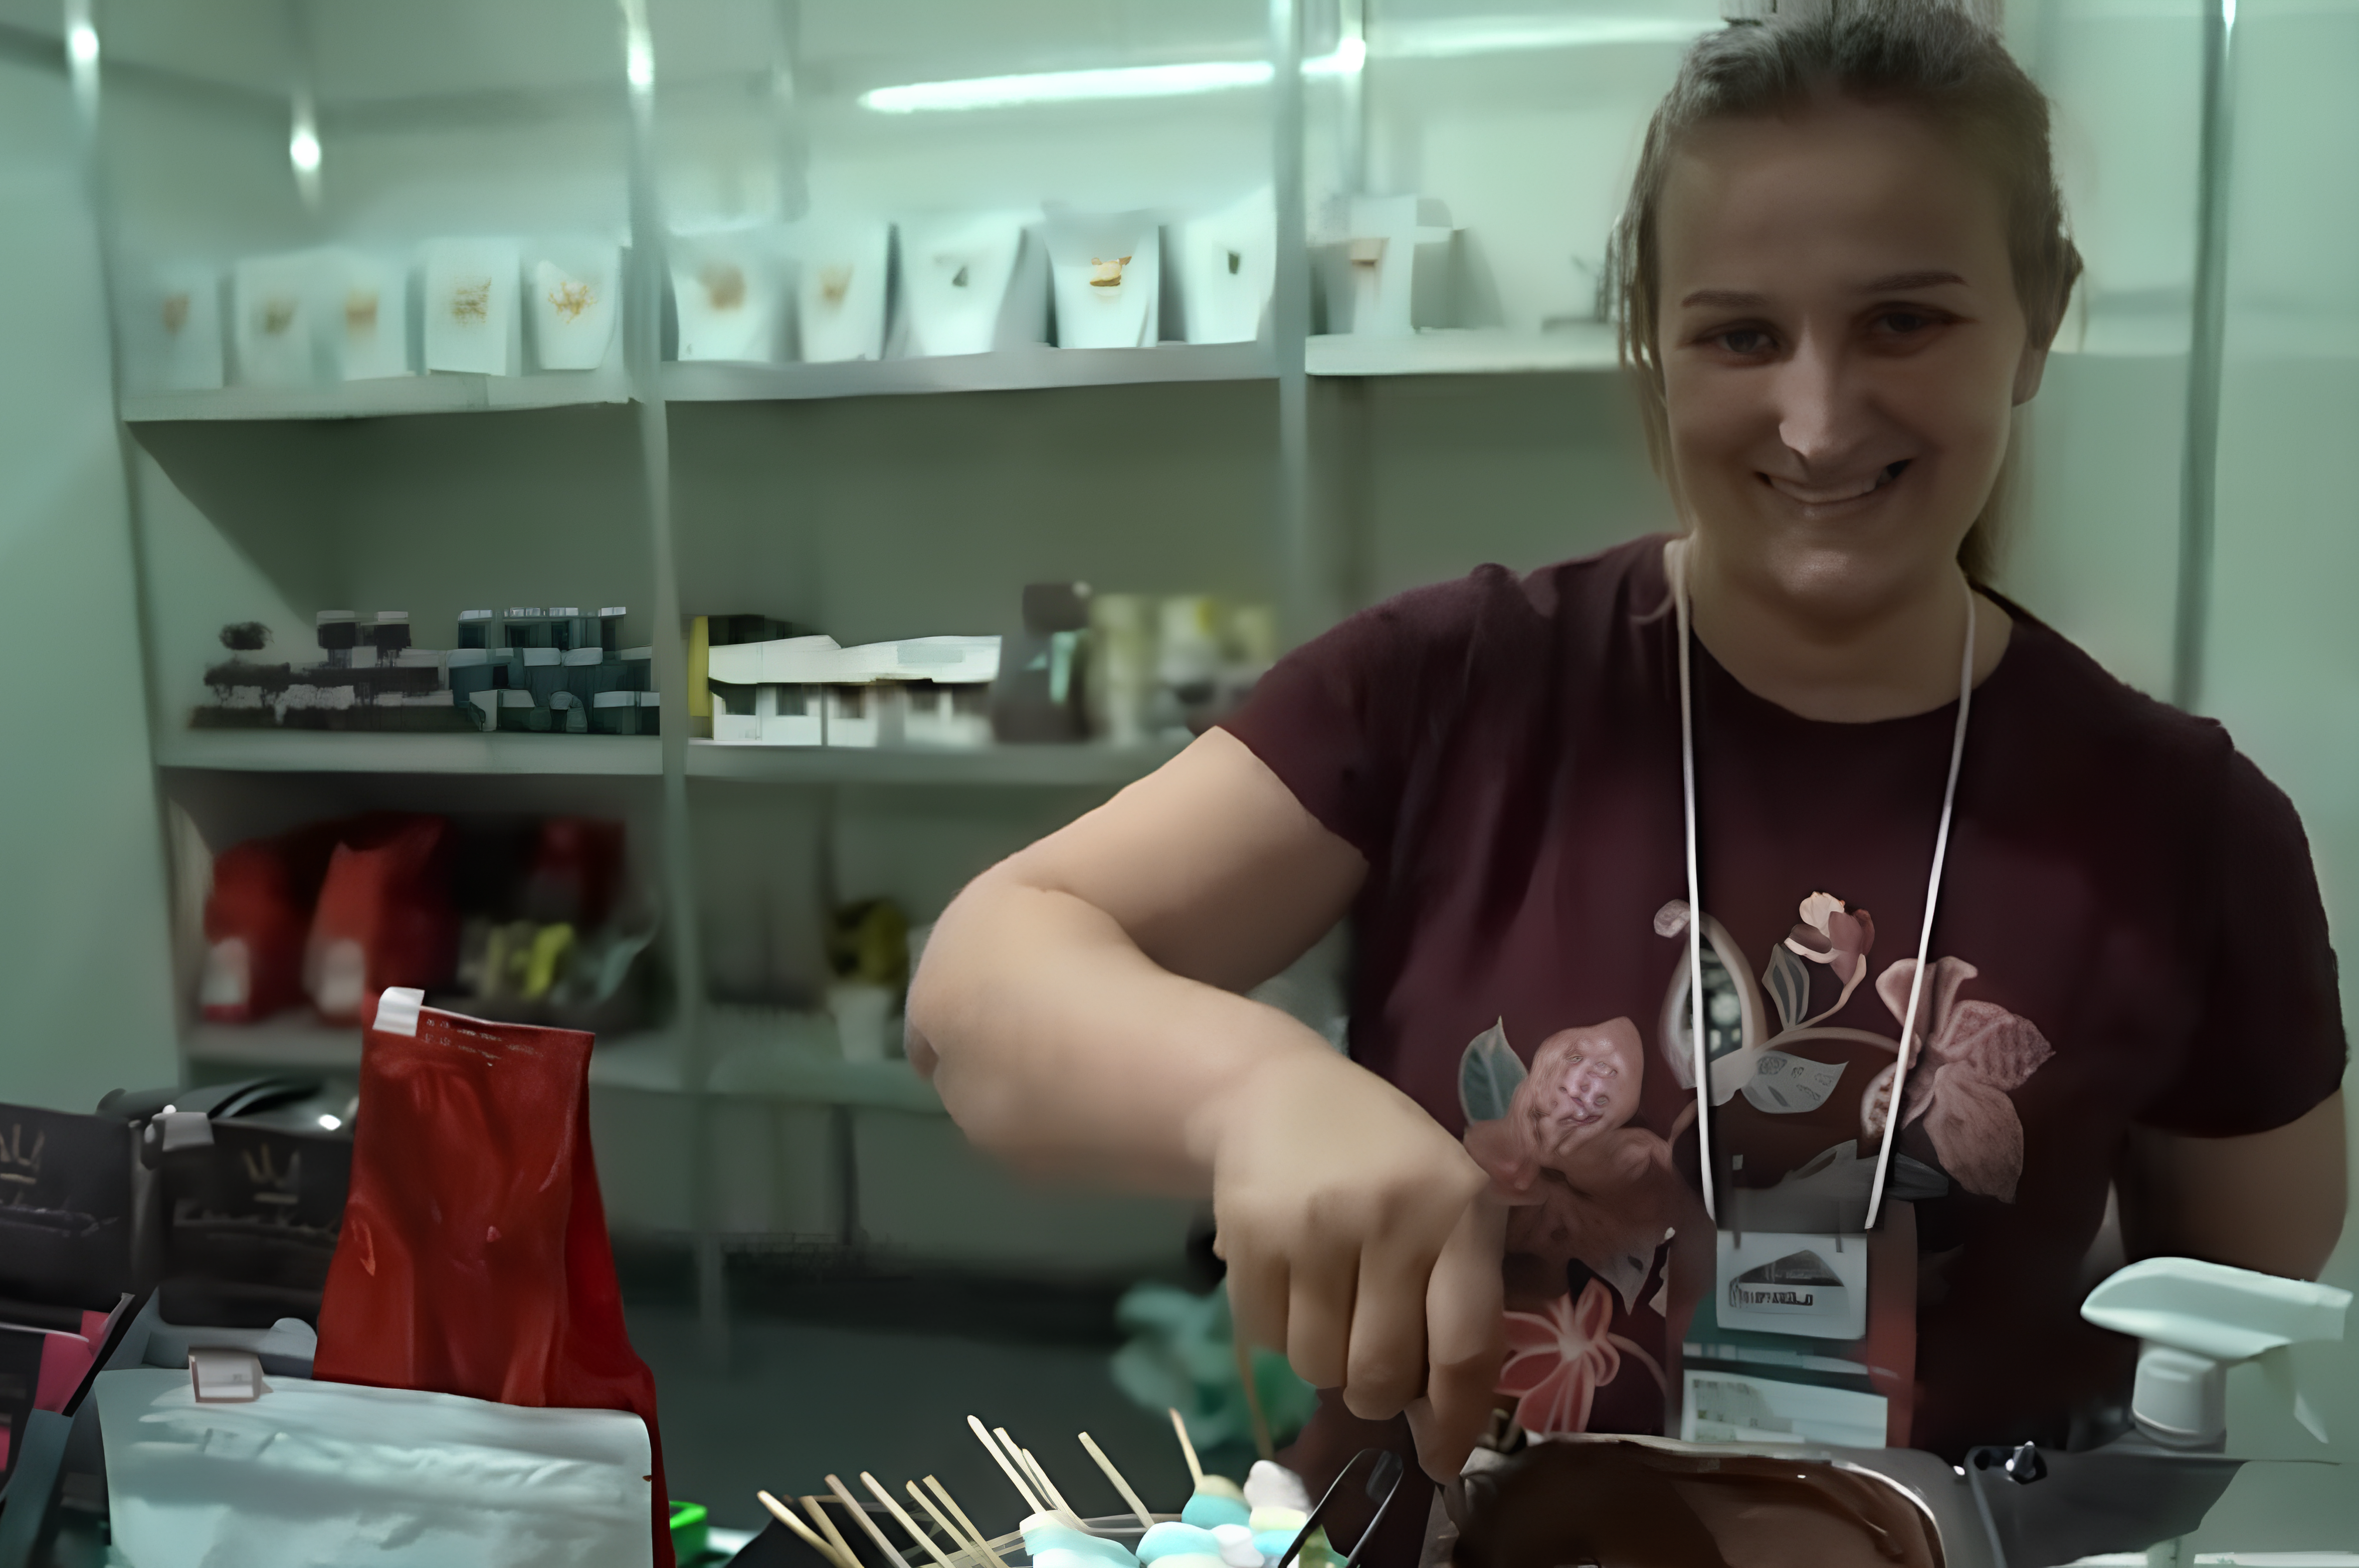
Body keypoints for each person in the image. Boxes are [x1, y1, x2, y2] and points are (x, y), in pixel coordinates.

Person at [908, 0, 2348, 1539]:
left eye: (1905, 322)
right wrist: (1258, 1092)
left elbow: (2235, 1310)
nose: (1815, 417)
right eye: (1740, 334)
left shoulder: (2184, 826)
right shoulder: (1454, 686)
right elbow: (983, 984)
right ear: (1652, 339)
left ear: (2039, 316)